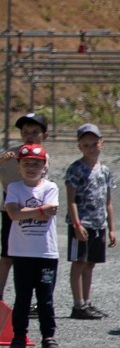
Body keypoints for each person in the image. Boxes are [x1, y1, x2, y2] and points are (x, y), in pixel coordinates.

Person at [0, 112, 48, 311]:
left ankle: (32, 301)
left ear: (44, 135)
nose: (29, 136)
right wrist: (1, 159)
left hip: (34, 213)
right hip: (11, 213)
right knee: (7, 256)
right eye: (25, 132)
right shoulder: (12, 154)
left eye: (34, 132)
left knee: (33, 258)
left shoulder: (44, 158)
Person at [2, 143, 61, 348]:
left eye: (36, 164)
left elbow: (52, 210)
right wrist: (40, 210)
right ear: (19, 166)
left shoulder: (51, 187)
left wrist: (26, 210)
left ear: (44, 166)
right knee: (23, 298)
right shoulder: (15, 188)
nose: (31, 168)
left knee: (45, 298)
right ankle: (18, 338)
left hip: (46, 253)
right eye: (26, 163)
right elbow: (13, 214)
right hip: (22, 252)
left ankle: (49, 337)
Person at [63, 123, 116, 320]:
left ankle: (87, 301)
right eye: (86, 145)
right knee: (79, 262)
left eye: (94, 144)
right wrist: (76, 224)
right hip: (82, 224)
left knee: (90, 264)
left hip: (98, 224)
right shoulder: (75, 169)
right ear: (80, 147)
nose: (91, 148)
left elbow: (108, 201)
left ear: (101, 144)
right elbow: (71, 200)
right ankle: (78, 304)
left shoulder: (105, 171)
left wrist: (111, 228)